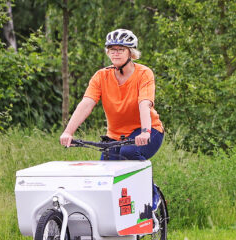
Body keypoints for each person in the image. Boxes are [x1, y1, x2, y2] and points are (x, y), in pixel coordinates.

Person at [59, 28, 164, 163]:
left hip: (149, 130)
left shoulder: (144, 73)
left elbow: (144, 104)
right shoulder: (101, 76)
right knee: (107, 170)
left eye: (121, 49)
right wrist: (68, 132)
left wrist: (145, 132)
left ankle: (148, 185)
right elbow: (86, 104)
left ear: (131, 53)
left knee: (129, 152)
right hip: (116, 136)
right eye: (112, 49)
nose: (116, 53)